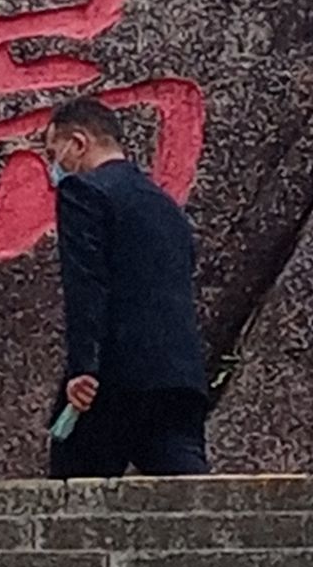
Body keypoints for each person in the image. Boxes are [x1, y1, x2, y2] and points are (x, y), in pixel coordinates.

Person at [41, 96, 212, 479]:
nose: (55, 167)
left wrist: (84, 368)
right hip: (177, 377)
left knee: (71, 496)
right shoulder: (166, 207)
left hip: (113, 381)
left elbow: (85, 284)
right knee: (190, 496)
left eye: (56, 153)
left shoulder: (84, 193)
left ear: (79, 143)